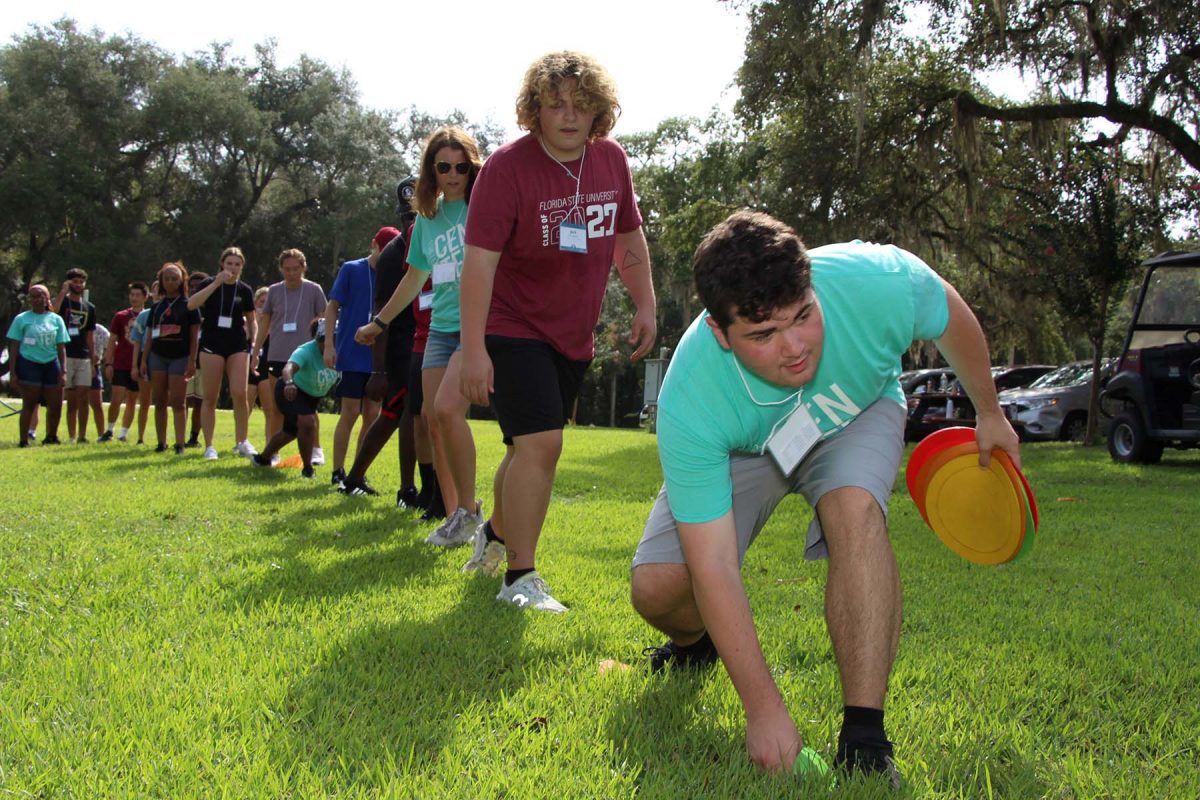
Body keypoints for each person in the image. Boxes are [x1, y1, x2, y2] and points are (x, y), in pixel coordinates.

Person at [629, 211, 1021, 783]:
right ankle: (699, 643)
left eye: (803, 317)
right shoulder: (692, 397)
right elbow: (713, 563)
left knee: (854, 511)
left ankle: (864, 739)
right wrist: (764, 711)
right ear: (720, 332)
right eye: (763, 335)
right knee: (657, 590)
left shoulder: (877, 280)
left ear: (812, 287)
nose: (793, 348)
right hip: (751, 447)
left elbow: (948, 312)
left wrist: (989, 411)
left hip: (852, 411)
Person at [457, 52, 657, 608]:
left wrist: (646, 304)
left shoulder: (611, 160)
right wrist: (473, 349)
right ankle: (519, 579)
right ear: (535, 111)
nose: (569, 116)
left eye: (581, 103)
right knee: (543, 442)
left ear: (599, 109)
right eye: (555, 104)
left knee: (526, 449)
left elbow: (627, 240)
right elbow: (479, 265)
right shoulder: (506, 168)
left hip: (572, 333)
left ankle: (497, 532)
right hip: (511, 323)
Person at [354, 130, 482, 540]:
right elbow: (414, 277)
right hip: (440, 328)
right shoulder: (427, 219)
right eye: (443, 166)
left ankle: (469, 507)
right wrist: (380, 322)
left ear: (472, 165)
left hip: (475, 324)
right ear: (431, 170)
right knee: (430, 418)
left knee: (446, 410)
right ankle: (453, 517)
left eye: (461, 166)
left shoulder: (484, 206)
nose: (453, 174)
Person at [338, 177, 421, 497]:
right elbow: (381, 315)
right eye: (406, 217)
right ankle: (407, 488)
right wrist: (379, 371)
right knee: (406, 413)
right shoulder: (393, 255)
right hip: (402, 347)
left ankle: (355, 477)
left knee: (392, 415)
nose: (410, 222)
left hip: (423, 340)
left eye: (414, 215)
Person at [323, 227, 400, 486]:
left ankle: (358, 473)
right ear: (373, 245)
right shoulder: (352, 269)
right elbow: (332, 307)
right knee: (349, 413)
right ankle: (337, 471)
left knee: (371, 414)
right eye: (383, 249)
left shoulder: (394, 273)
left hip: (378, 357)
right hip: (352, 353)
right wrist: (329, 345)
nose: (386, 255)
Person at [251, 249, 329, 462]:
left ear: (303, 267)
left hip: (306, 357)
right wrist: (256, 350)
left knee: (309, 406)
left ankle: (315, 449)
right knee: (277, 406)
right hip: (278, 353)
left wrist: (326, 349)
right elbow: (265, 322)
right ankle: (272, 452)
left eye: (296, 269)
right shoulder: (275, 291)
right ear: (281, 269)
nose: (292, 273)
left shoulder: (314, 289)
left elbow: (324, 320)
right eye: (287, 269)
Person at [188, 247, 258, 460]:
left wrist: (252, 341)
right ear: (222, 264)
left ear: (242, 267)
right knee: (210, 397)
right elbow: (192, 304)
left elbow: (252, 318)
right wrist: (217, 282)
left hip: (237, 344)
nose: (233, 268)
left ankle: (242, 441)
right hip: (211, 344)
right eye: (229, 263)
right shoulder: (209, 284)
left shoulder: (244, 290)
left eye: (237, 264)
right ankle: (209, 446)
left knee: (239, 393)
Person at [252, 319, 339, 478]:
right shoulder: (306, 350)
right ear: (318, 339)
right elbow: (288, 368)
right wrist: (290, 383)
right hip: (290, 390)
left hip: (311, 396)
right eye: (325, 340)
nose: (330, 345)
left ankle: (263, 458)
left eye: (334, 340)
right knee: (307, 423)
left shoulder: (341, 351)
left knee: (289, 432)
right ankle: (308, 469)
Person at [141, 262, 201, 454]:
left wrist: (192, 360)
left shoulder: (190, 305)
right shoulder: (156, 307)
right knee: (159, 400)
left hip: (180, 357)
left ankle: (180, 444)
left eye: (174, 278)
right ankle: (161, 442)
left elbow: (194, 337)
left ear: (181, 280)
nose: (170, 282)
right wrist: (143, 360)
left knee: (178, 401)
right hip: (157, 356)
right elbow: (149, 335)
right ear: (161, 280)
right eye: (166, 278)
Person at [6, 284, 70, 447]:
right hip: (29, 363)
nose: (36, 299)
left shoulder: (56, 319)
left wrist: (63, 370)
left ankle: (51, 436)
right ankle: (23, 440)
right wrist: (13, 372)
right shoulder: (21, 319)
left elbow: (61, 347)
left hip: (51, 363)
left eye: (40, 296)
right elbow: (14, 346)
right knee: (29, 403)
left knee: (55, 404)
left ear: (47, 298)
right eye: (33, 296)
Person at [99, 281, 150, 442]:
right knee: (116, 398)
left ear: (145, 297)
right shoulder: (120, 316)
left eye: (137, 295)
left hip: (138, 363)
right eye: (132, 294)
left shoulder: (149, 316)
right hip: (120, 363)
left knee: (132, 400)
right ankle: (110, 429)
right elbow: (112, 340)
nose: (134, 298)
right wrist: (108, 363)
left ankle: (123, 433)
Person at [54, 268, 98, 443]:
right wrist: (63, 291)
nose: (78, 285)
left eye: (81, 282)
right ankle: (71, 435)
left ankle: (82, 435)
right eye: (75, 281)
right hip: (66, 354)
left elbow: (90, 335)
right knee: (71, 399)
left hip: (83, 356)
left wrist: (93, 359)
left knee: (83, 396)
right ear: (68, 282)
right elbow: (53, 311)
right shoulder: (63, 302)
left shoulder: (89, 307)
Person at [127, 281, 159, 444]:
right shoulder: (144, 315)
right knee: (145, 400)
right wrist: (135, 366)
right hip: (145, 359)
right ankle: (140, 437)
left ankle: (164, 437)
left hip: (166, 358)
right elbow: (137, 342)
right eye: (156, 292)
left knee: (163, 400)